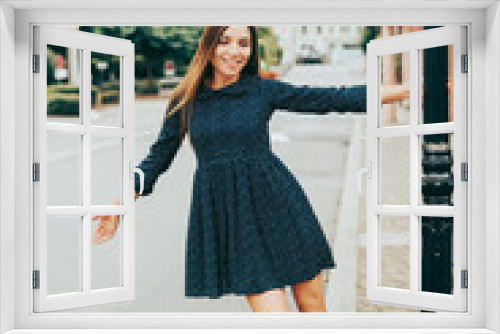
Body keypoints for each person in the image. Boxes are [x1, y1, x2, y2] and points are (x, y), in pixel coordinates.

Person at [91, 26, 410, 312]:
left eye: (243, 43)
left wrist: (415, 89)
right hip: (236, 221)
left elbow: (335, 98)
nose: (235, 51)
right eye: (225, 41)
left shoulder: (261, 90)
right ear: (209, 46)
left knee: (311, 304)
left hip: (281, 206)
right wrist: (119, 205)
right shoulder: (185, 100)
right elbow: (156, 160)